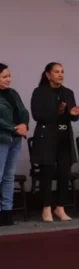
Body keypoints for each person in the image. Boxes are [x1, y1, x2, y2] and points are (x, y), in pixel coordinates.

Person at [30, 62, 79, 222]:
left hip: (64, 136)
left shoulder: (68, 92)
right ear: (48, 75)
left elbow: (72, 116)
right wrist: (57, 112)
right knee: (47, 171)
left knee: (64, 173)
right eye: (56, 72)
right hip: (47, 137)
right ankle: (46, 208)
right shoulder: (40, 92)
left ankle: (60, 207)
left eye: (62, 72)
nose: (60, 75)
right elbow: (37, 115)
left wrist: (73, 114)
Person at [0, 64, 28, 226]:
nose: (8, 79)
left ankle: (7, 211)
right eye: (4, 77)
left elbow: (23, 111)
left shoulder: (13, 93)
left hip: (15, 139)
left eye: (9, 76)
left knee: (9, 176)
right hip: (2, 138)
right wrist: (14, 128)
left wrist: (24, 124)